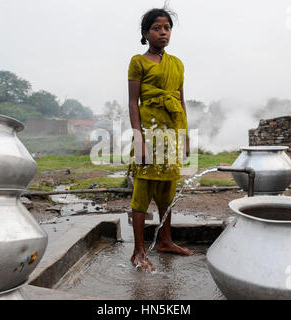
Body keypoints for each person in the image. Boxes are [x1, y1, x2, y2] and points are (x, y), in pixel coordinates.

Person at [127, 7, 193, 272]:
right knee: (142, 192)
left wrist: (185, 136)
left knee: (168, 191)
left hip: (172, 133)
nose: (163, 32)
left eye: (166, 28)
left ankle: (166, 241)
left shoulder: (176, 64)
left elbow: (181, 100)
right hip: (149, 132)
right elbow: (133, 103)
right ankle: (138, 252)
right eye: (157, 28)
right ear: (145, 33)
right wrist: (138, 138)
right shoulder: (138, 62)